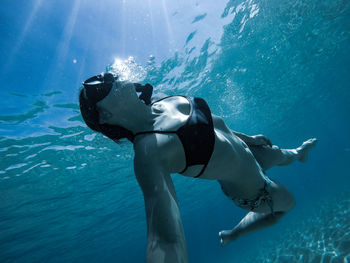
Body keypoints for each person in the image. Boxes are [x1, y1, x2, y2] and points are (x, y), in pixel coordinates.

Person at [79, 72, 317, 263]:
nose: (109, 77)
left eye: (107, 75)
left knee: (275, 153)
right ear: (105, 116)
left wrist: (249, 138)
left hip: (248, 151)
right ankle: (234, 233)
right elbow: (166, 238)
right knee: (287, 204)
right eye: (98, 85)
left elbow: (214, 125)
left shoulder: (162, 101)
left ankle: (298, 154)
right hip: (253, 189)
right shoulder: (148, 153)